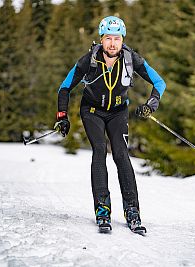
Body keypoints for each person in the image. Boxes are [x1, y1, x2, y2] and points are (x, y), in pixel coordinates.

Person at [55, 16, 166, 233]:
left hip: (118, 112)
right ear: (101, 40)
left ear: (122, 39)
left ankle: (132, 210)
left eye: (116, 38)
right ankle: (102, 209)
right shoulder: (89, 60)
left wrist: (151, 104)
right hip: (92, 111)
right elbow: (65, 87)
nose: (112, 43)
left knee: (121, 155)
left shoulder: (131, 59)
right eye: (108, 38)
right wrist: (62, 116)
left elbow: (159, 82)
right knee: (99, 151)